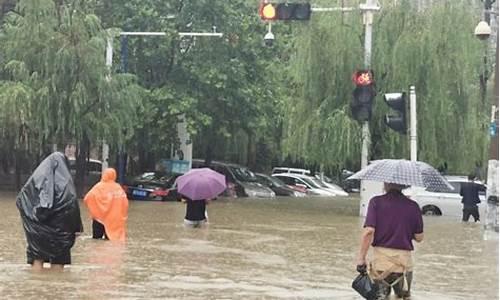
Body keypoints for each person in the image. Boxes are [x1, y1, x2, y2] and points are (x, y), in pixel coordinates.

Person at [16, 152, 83, 271]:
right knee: (58, 257)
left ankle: (36, 282)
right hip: (60, 231)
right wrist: (77, 227)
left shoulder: (34, 183)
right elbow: (72, 207)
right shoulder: (67, 187)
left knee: (37, 255)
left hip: (38, 231)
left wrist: (34, 221)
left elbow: (21, 201)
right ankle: (56, 284)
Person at [356, 182, 424, 300]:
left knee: (380, 297)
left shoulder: (376, 202)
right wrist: (405, 230)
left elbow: (369, 232)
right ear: (403, 185)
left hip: (381, 263)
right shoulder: (413, 206)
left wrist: (361, 258)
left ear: (386, 184)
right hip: (403, 265)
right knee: (402, 298)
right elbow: (419, 238)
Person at [84, 168, 128, 241]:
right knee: (112, 240)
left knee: (96, 241)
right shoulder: (118, 188)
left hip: (100, 218)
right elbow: (125, 203)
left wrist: (97, 209)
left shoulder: (99, 187)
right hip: (114, 220)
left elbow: (87, 198)